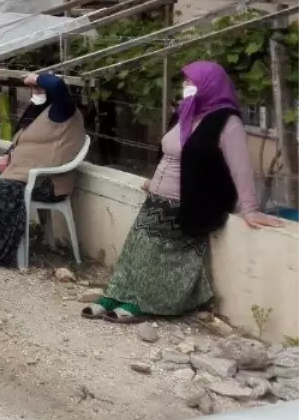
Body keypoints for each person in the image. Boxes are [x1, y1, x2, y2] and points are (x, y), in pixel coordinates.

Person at [83, 61, 282, 323]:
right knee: (136, 247)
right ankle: (117, 293)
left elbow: (241, 168)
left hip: (188, 202)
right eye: (185, 81)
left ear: (209, 85)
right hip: (157, 196)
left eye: (191, 82)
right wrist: (153, 180)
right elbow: (169, 153)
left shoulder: (226, 121)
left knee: (157, 253)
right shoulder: (186, 113)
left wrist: (250, 209)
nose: (185, 86)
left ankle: (143, 302)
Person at [0, 72, 86, 267]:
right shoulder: (39, 112)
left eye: (39, 89)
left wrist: (35, 77)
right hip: (18, 173)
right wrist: (8, 156)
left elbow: (57, 84)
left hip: (46, 181)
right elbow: (21, 141)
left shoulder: (64, 111)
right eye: (32, 89)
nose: (35, 92)